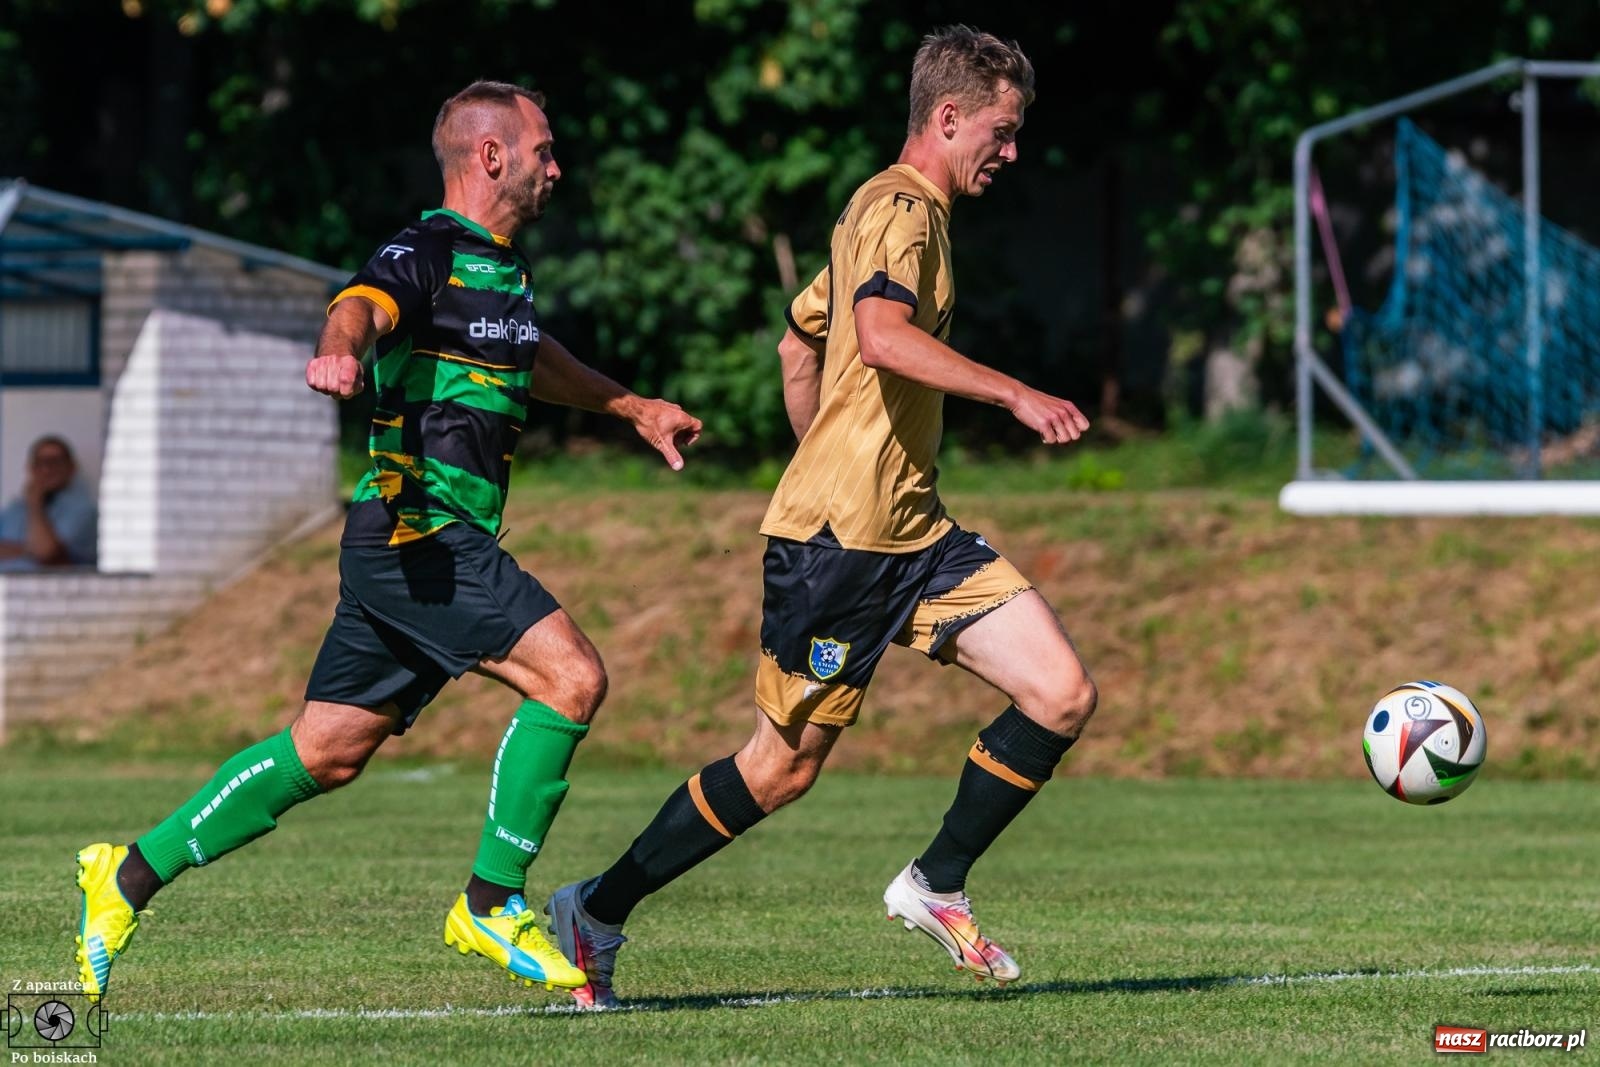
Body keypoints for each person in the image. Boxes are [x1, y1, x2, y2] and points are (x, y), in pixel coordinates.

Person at [72, 79, 702, 1002]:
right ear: (492, 157)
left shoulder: (504, 269)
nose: (557, 167)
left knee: (323, 749)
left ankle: (123, 876)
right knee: (572, 677)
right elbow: (359, 305)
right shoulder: (424, 250)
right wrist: (343, 350)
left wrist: (634, 406)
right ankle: (490, 900)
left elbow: (533, 355)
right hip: (423, 531)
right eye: (544, 149)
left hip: (402, 542)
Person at [542, 26, 1095, 1009]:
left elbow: (805, 334)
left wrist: (824, 450)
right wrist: (1011, 394)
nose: (1010, 152)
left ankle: (934, 881)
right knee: (781, 766)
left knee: (1058, 692)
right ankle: (597, 906)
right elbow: (878, 336)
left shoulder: (877, 213)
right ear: (949, 118)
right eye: (1001, 132)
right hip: (839, 551)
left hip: (914, 536)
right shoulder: (904, 215)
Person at [0, 435, 97, 572]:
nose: (46, 469)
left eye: (55, 462)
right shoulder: (14, 509)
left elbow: (46, 553)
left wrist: (35, 504)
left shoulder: (84, 511)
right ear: (31, 468)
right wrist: (29, 550)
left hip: (50, 591)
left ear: (71, 468)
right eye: (40, 462)